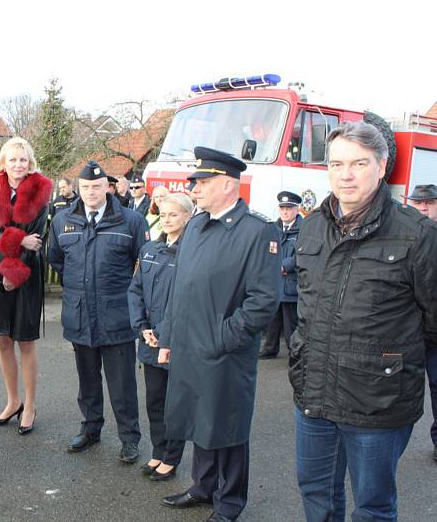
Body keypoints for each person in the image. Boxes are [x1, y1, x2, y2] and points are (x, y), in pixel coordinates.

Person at [290, 122, 437, 521]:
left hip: (377, 402)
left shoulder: (416, 234)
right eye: (336, 164)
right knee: (316, 495)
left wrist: (389, 358)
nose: (346, 174)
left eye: (358, 163)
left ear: (382, 165)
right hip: (314, 395)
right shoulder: (312, 225)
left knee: (372, 506)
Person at [159, 147, 279, 521]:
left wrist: (223, 337)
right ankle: (203, 486)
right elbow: (181, 285)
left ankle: (229, 502)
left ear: (228, 184)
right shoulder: (196, 225)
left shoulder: (257, 231)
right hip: (189, 344)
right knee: (199, 420)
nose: (194, 188)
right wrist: (169, 336)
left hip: (225, 350)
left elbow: (263, 300)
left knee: (226, 426)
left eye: (202, 182)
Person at [49, 161, 147, 463]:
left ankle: (129, 438)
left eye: (97, 186)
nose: (91, 192)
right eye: (86, 187)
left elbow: (143, 266)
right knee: (87, 380)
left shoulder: (130, 221)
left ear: (109, 187)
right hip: (79, 314)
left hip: (116, 315)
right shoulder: (63, 219)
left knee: (122, 384)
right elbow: (56, 260)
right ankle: (91, 429)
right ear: (79, 188)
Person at [0, 137, 52, 435]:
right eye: (13, 159)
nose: (18, 165)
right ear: (3, 163)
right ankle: (13, 400)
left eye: (23, 160)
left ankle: (30, 405)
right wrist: (17, 239)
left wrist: (15, 269)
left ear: (29, 162)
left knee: (25, 340)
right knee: (3, 339)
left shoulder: (40, 190)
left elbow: (37, 237)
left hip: (26, 272)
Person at [128, 193, 193, 482]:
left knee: (174, 402)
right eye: (164, 215)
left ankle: (172, 457)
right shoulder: (149, 250)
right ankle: (158, 450)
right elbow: (136, 291)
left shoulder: (192, 254)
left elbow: (185, 301)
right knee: (154, 400)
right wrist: (142, 327)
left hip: (175, 342)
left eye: (174, 215)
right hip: (150, 340)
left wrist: (164, 334)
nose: (167, 220)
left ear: (188, 218)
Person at [405, 183, 437, 462]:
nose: (423, 208)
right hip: (410, 330)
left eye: (428, 203)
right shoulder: (403, 236)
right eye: (418, 203)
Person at [259, 191, 302, 359]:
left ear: (297, 210)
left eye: (289, 209)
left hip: (291, 284)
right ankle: (269, 349)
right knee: (272, 321)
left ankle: (295, 353)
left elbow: (301, 255)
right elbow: (266, 251)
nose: (285, 212)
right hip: (274, 284)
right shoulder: (273, 229)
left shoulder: (303, 230)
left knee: (291, 323)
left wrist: (282, 266)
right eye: (282, 208)